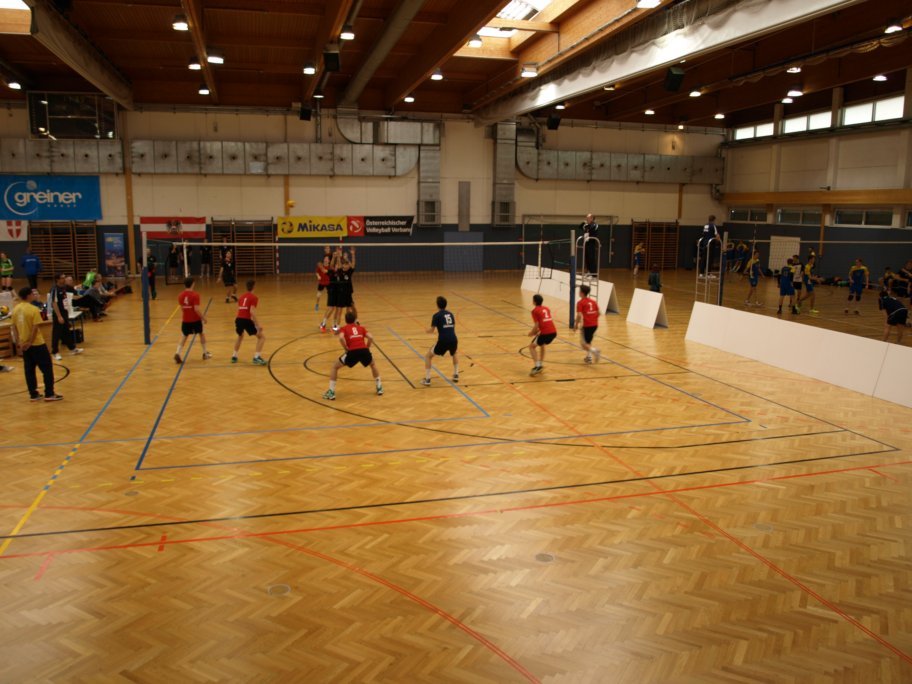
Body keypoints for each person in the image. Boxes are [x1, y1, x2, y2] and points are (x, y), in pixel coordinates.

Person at [11, 286, 61, 401]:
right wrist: (30, 342)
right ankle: (49, 393)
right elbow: (35, 328)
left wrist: (19, 342)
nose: (34, 295)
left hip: (24, 345)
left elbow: (14, 327)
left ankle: (33, 394)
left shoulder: (16, 309)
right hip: (37, 344)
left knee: (29, 370)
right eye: (32, 294)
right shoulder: (33, 309)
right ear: (28, 295)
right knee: (47, 368)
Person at [322, 312, 382, 400]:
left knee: (335, 367)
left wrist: (346, 348)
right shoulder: (361, 328)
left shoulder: (344, 328)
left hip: (352, 352)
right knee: (372, 365)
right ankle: (379, 387)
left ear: (346, 320)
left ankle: (331, 392)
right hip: (363, 350)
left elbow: (341, 338)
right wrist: (367, 347)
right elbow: (371, 337)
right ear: (354, 320)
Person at [422, 296, 459, 385]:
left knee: (428, 356)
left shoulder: (436, 315)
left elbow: (432, 330)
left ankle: (427, 379)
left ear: (437, 305)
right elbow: (452, 327)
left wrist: (426, 331)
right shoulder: (451, 314)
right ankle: (456, 374)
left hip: (443, 341)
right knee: (454, 353)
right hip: (453, 339)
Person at [174, 277, 210, 363]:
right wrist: (203, 318)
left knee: (184, 336)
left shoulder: (180, 295)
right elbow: (196, 309)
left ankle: (177, 352)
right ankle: (205, 353)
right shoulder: (195, 295)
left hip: (185, 320)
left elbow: (182, 308)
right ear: (193, 284)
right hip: (195, 320)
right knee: (201, 334)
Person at [49, 273, 83, 360]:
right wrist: (59, 316)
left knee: (66, 331)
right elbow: (54, 303)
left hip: (65, 312)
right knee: (56, 333)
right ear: (57, 279)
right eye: (62, 278)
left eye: (64, 277)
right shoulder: (54, 289)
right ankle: (55, 352)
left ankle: (72, 348)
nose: (64, 279)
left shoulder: (64, 287)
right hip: (58, 313)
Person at [232, 280, 266, 365]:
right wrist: (258, 325)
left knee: (240, 336)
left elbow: (242, 310)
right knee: (262, 337)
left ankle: (234, 356)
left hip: (238, 319)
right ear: (254, 287)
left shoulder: (241, 297)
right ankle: (256, 357)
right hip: (246, 320)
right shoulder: (254, 297)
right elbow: (252, 312)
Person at [528, 293, 557, 376]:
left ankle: (537, 366)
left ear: (534, 302)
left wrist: (531, 333)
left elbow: (537, 324)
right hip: (553, 332)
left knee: (531, 347)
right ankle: (540, 364)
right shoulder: (546, 308)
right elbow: (545, 321)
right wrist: (537, 331)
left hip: (545, 333)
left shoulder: (534, 311)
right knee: (542, 344)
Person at [573, 284, 600, 364]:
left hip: (587, 325)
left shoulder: (580, 302)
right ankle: (589, 357)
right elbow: (599, 313)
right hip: (595, 325)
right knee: (588, 341)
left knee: (583, 344)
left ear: (582, 293)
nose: (578, 292)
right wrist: (593, 318)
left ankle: (595, 351)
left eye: (579, 291)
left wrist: (576, 325)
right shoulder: (593, 301)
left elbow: (579, 315)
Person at [321, 247, 342, 333]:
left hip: (339, 292)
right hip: (331, 291)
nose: (336, 266)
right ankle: (323, 323)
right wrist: (334, 256)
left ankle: (334, 325)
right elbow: (331, 265)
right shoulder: (331, 271)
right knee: (331, 308)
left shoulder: (340, 272)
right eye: (335, 265)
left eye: (338, 265)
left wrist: (338, 257)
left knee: (337, 309)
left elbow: (339, 265)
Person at [335, 248, 357, 326]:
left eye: (347, 264)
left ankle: (350, 324)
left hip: (348, 293)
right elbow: (339, 262)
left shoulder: (349, 272)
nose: (346, 265)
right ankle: (337, 326)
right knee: (339, 310)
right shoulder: (340, 271)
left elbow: (353, 264)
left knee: (349, 310)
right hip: (341, 294)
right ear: (343, 265)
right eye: (345, 264)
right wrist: (338, 255)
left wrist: (353, 254)